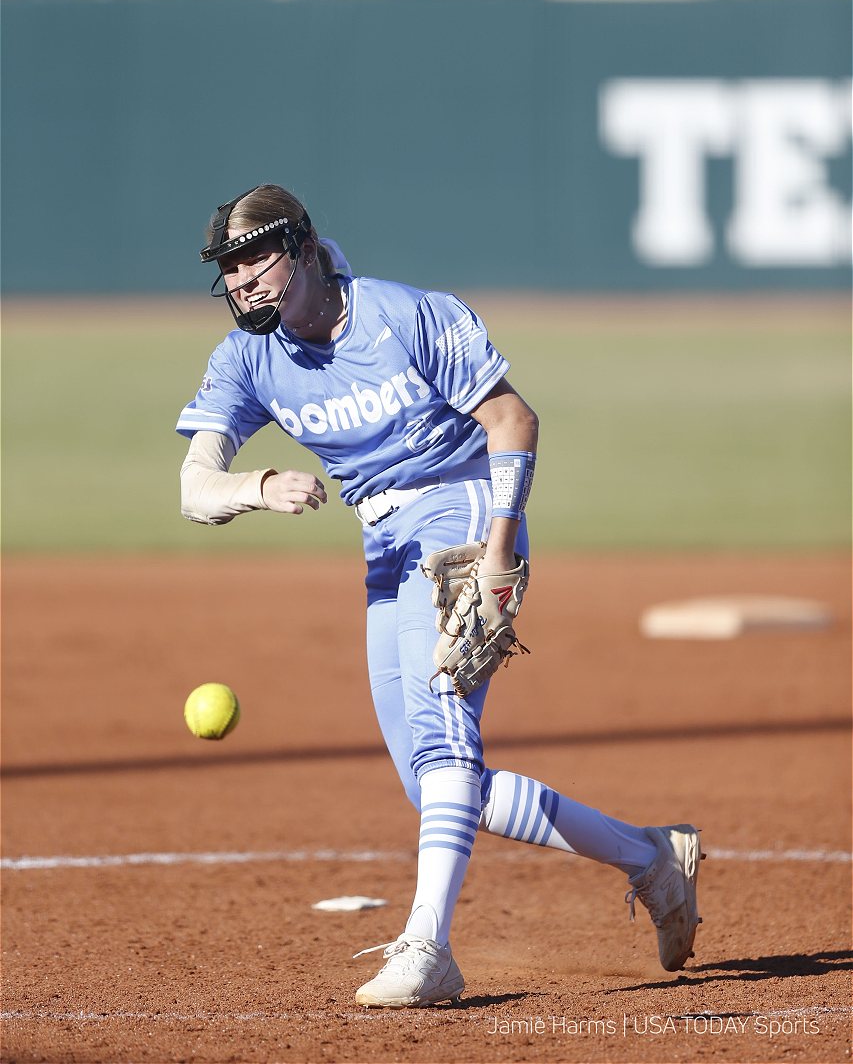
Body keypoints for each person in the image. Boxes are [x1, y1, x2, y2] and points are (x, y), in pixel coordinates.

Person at [176, 184, 703, 1009]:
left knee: (441, 740)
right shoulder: (247, 358)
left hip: (458, 509)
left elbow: (512, 420)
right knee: (438, 781)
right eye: (228, 268)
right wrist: (256, 482)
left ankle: (428, 947)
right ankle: (652, 861)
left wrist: (497, 552)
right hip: (383, 545)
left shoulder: (403, 316)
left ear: (306, 250)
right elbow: (193, 489)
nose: (242, 280)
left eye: (256, 257)